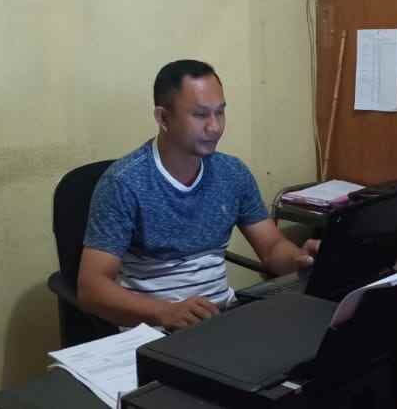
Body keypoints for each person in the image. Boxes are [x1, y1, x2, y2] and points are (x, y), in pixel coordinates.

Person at [77, 59, 319, 331]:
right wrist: (165, 312)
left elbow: (272, 248)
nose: (215, 127)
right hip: (153, 329)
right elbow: (92, 288)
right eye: (201, 115)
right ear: (163, 118)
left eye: (220, 112)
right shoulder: (123, 183)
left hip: (220, 320)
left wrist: (300, 260)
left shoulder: (232, 172)